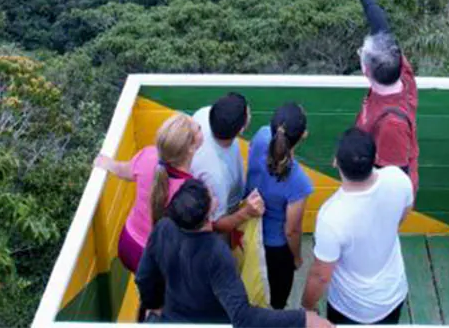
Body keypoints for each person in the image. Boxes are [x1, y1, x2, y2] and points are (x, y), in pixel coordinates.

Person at [137, 178, 331, 328]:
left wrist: (153, 305)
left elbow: (144, 276)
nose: (214, 194)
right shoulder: (215, 253)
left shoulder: (163, 227)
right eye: (211, 196)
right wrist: (302, 318)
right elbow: (243, 317)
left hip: (172, 318)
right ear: (207, 216)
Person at [301, 129, 414, 325]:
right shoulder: (399, 179)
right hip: (393, 296)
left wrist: (306, 309)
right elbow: (402, 214)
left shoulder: (331, 217)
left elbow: (321, 275)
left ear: (336, 162)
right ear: (375, 157)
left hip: (350, 309)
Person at [334, 0, 418, 190]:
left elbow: (395, 181)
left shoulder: (392, 125)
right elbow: (382, 28)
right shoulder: (401, 73)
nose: (360, 51)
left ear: (366, 72)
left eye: (362, 52)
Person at [94, 112, 202, 273]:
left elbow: (124, 171)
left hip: (128, 245)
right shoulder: (190, 190)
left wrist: (108, 164)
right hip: (157, 260)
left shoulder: (148, 155)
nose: (201, 128)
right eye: (199, 128)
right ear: (191, 148)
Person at [246, 102, 315, 308]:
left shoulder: (260, 136)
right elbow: (292, 231)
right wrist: (296, 258)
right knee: (276, 301)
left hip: (248, 231)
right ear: (303, 135)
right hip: (275, 248)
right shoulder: (298, 181)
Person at [192, 92, 265, 238]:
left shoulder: (203, 115)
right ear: (240, 130)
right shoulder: (216, 175)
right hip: (224, 210)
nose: (249, 111)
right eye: (247, 113)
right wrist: (245, 213)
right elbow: (216, 224)